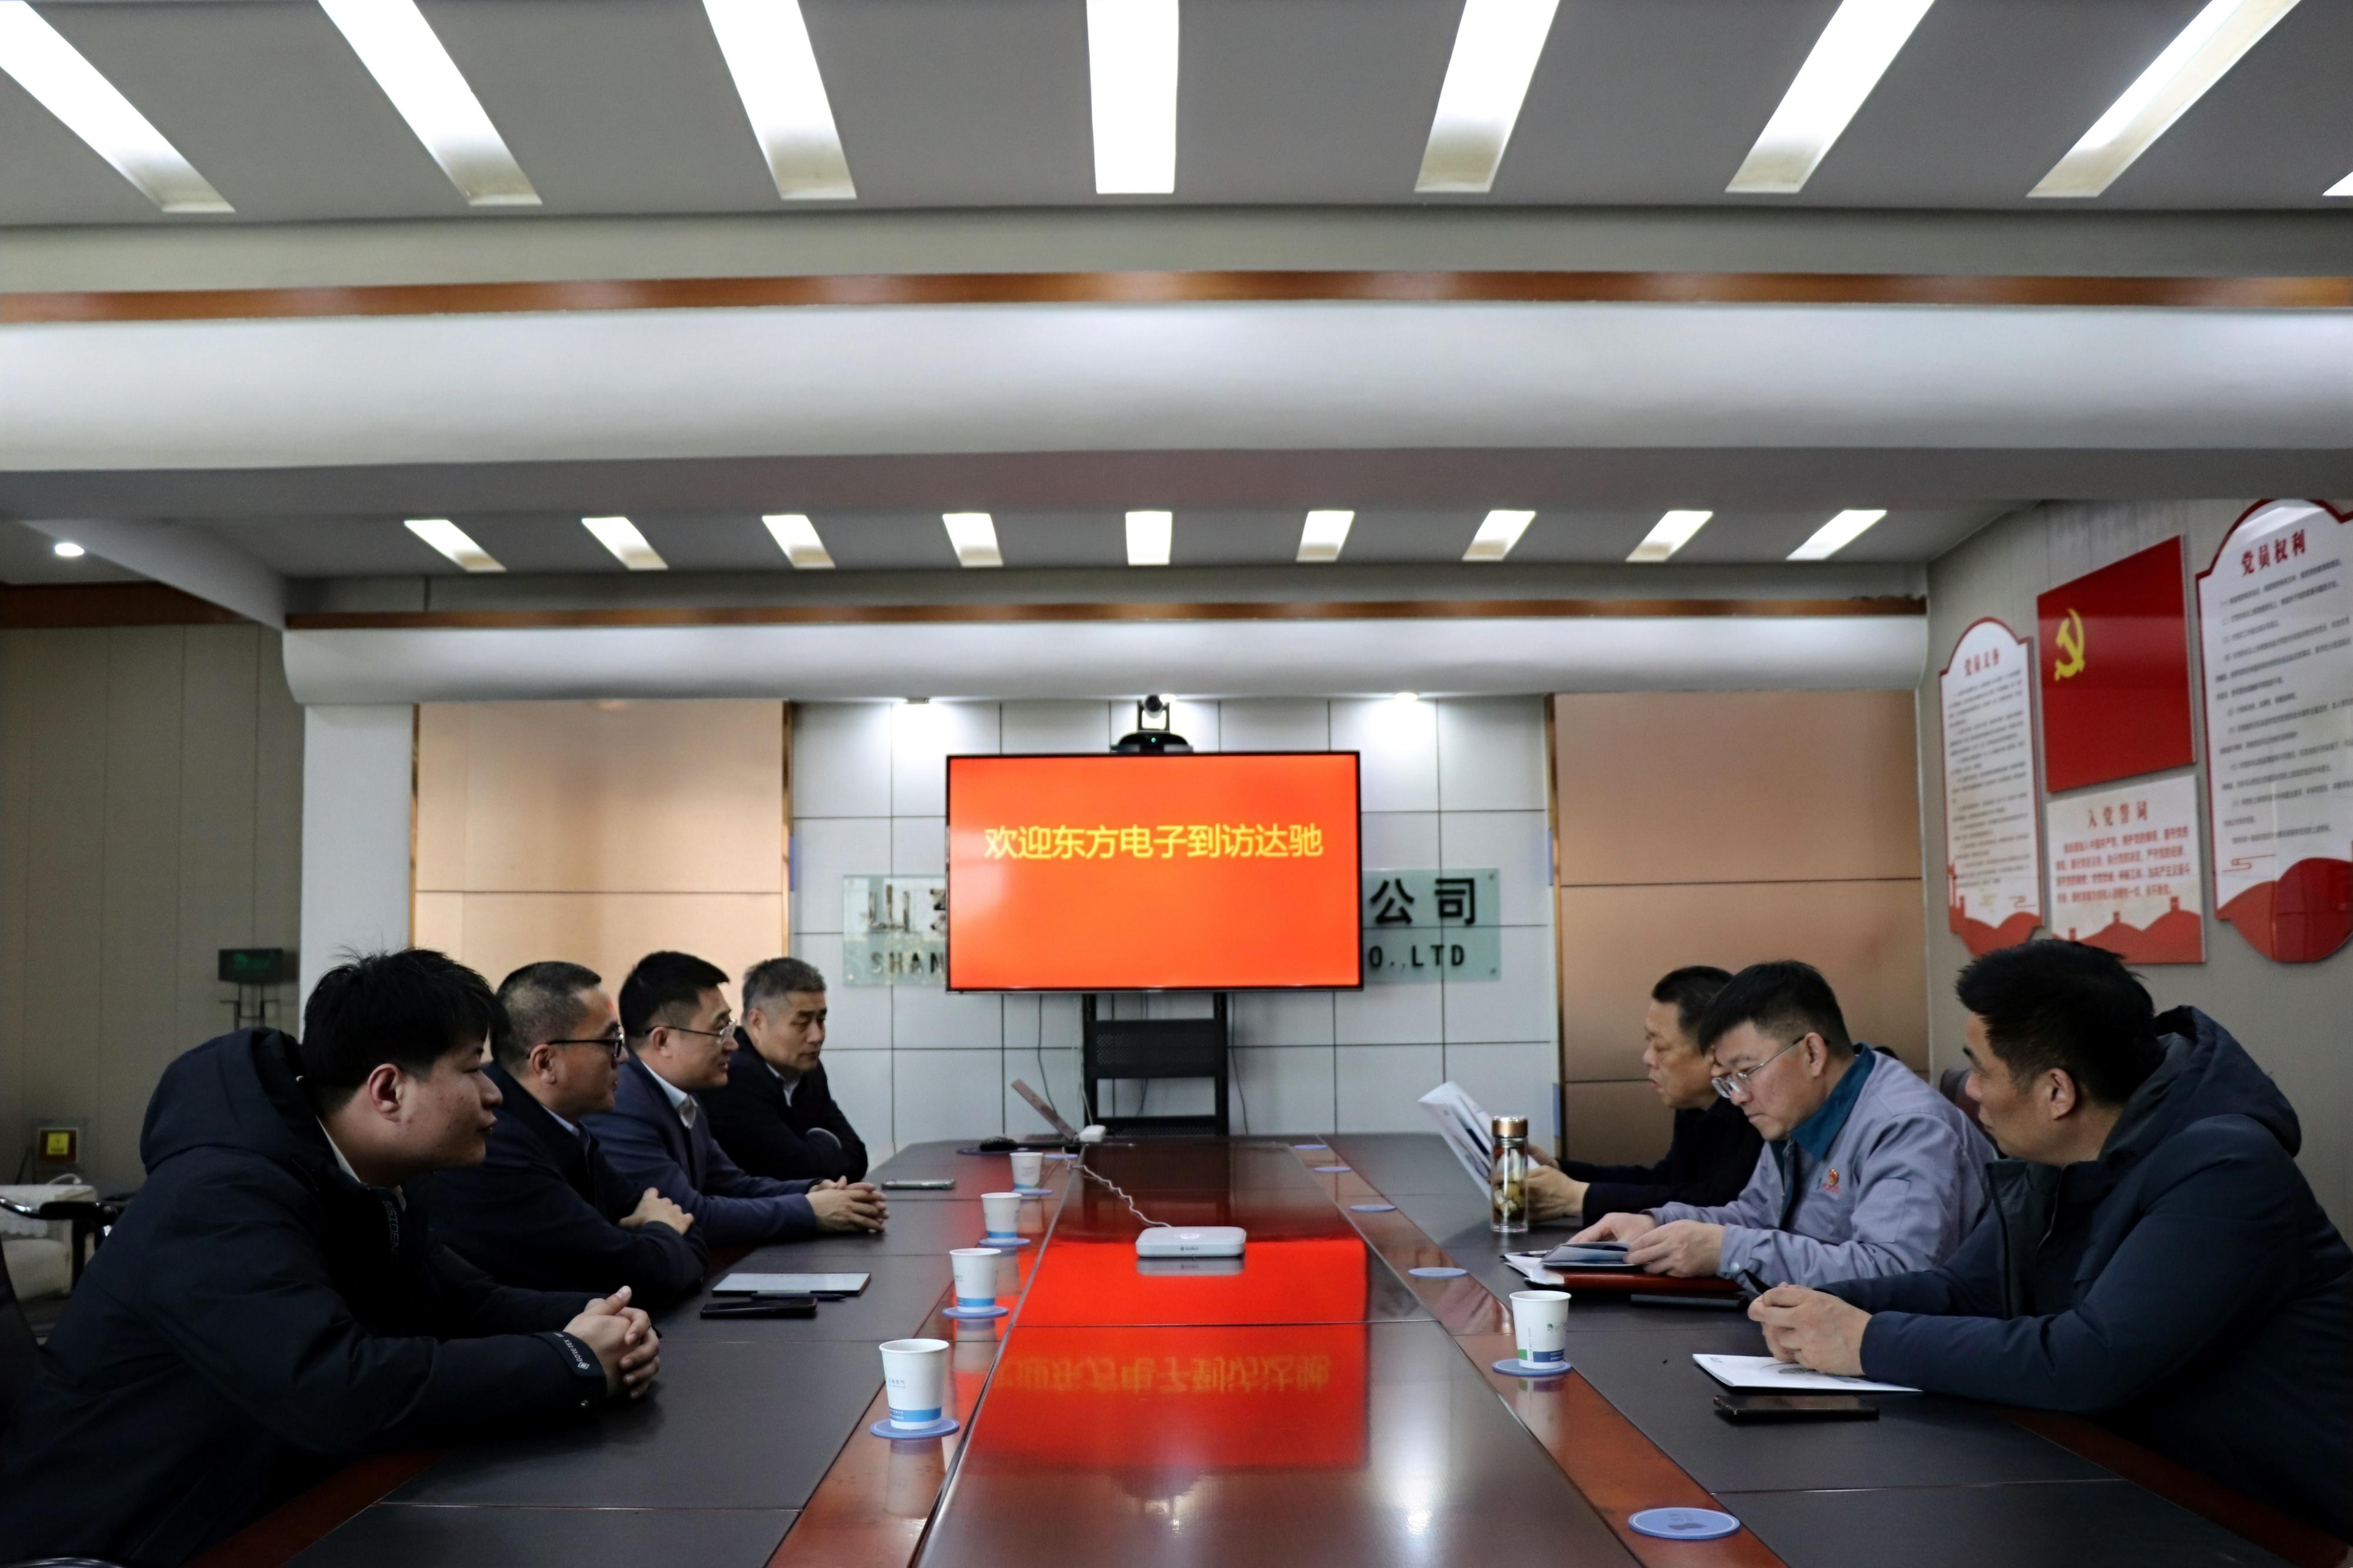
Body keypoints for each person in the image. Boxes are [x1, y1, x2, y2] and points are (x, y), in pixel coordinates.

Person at [0, 950, 659, 1568]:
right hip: (122, 1544)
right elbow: (337, 1390)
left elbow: (464, 1302)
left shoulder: (368, 1182)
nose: (495, 1094)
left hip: (268, 1510)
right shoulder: (218, 1199)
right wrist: (570, 1360)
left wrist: (601, 1320)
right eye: (470, 1068)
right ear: (388, 1090)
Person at [1752, 942, 2353, 1539]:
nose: (1971, 1091)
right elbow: (1966, 1290)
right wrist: (1823, 1302)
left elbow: (2090, 1360)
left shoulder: (2226, 1168)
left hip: (2266, 1521)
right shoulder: (2058, 1151)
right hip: (2110, 1480)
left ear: (2057, 1092)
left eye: (1982, 1070)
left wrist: (1865, 1340)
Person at [1572, 959, 1992, 1286]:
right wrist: (1655, 1224)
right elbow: (1756, 1215)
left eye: (1746, 1072)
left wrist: (1730, 1250)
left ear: (1812, 1053)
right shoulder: (1798, 1113)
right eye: (1728, 1080)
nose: (1738, 1096)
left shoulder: (1906, 1127)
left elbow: (1896, 1272)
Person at [428, 962, 709, 1306]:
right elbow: (646, 1277)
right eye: (610, 1042)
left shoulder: (564, 1127)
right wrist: (663, 1229)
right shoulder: (496, 1144)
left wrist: (657, 1236)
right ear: (546, 1063)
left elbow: (684, 1232)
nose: (623, 1058)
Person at [585, 950, 887, 1247]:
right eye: (719, 1030)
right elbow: (688, 1215)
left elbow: (733, 1185)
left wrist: (814, 1190)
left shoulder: (686, 1098)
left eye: (729, 1027)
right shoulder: (623, 1105)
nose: (733, 1044)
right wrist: (810, 1211)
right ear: (663, 1041)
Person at [1525, 965, 1757, 1224]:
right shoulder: (1695, 1107)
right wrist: (1563, 1173)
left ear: (1716, 1052)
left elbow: (1718, 1204)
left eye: (1660, 1046)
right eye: (1648, 1042)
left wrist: (1579, 1197)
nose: (1648, 1058)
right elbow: (1667, 1183)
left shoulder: (1756, 1109)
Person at [702, 955, 869, 1182]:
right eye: (802, 1023)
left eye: (821, 1021)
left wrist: (809, 1149)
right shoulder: (734, 1074)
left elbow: (857, 1157)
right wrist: (824, 1143)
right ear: (757, 1022)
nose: (817, 1036)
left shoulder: (808, 1070)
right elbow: (792, 1171)